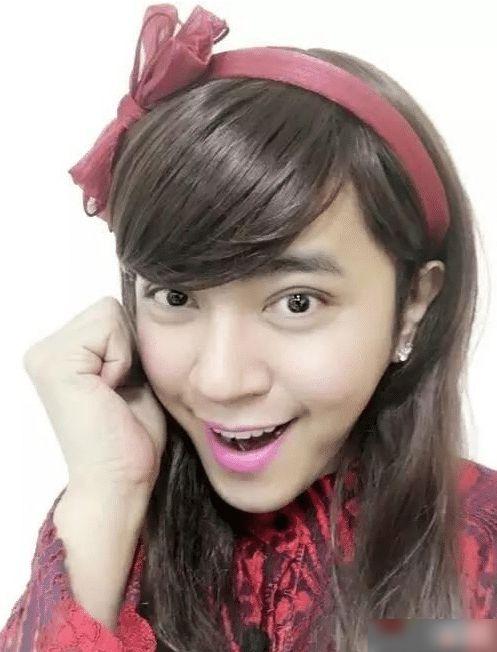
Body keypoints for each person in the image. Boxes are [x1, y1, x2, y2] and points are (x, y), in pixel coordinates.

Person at [1, 4, 496, 652]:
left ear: (413, 303)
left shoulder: (475, 559)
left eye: (297, 303)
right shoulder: (109, 535)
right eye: (176, 296)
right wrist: (106, 496)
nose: (222, 380)